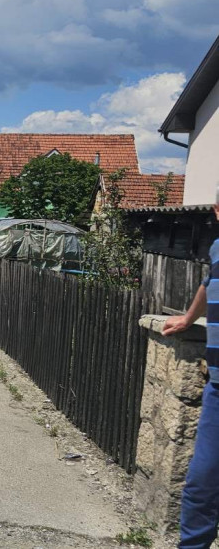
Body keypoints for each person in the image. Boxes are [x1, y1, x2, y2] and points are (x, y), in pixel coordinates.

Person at [162, 185, 219, 549]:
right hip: (218, 387)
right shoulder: (218, 248)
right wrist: (188, 317)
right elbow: (207, 283)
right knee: (200, 485)